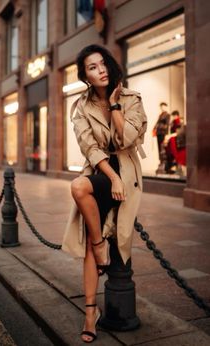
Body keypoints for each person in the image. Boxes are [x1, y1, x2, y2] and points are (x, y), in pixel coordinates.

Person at [62, 44, 147, 343]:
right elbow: (90, 147)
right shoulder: (80, 108)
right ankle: (90, 310)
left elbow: (125, 140)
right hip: (101, 173)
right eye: (92, 67)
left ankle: (92, 310)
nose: (101, 70)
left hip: (126, 172)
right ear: (85, 75)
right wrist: (111, 178)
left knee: (96, 237)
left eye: (103, 64)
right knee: (79, 188)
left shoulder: (131, 99)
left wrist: (114, 106)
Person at [152, 102, 170, 168]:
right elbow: (157, 123)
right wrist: (154, 128)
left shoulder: (167, 115)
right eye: (161, 107)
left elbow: (167, 125)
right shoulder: (160, 115)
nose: (162, 108)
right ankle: (160, 161)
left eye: (163, 106)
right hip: (158, 133)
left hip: (163, 133)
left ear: (165, 106)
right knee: (159, 147)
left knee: (163, 148)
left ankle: (164, 163)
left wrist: (166, 134)